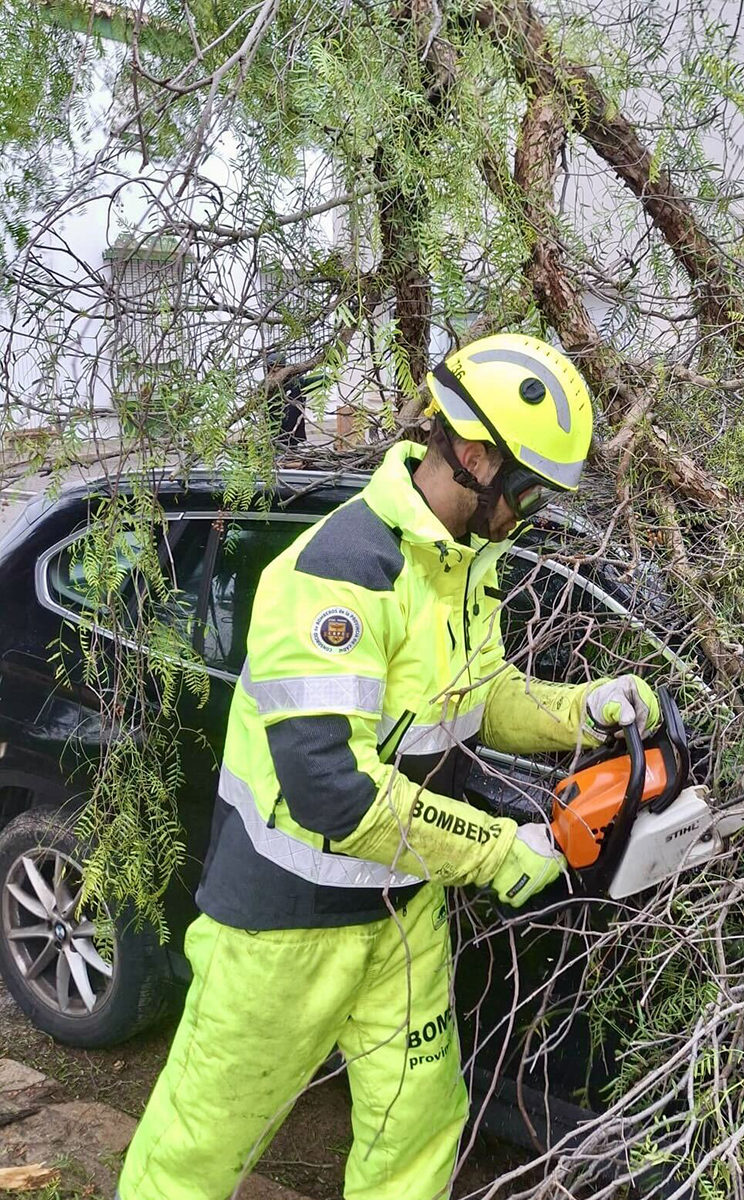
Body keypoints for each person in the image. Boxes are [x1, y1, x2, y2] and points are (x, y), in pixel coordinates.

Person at [116, 332, 660, 1200]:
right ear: (476, 457)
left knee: (417, 1130)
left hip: (402, 911)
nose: (530, 513)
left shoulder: (462, 565)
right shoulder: (338, 574)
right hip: (283, 926)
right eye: (528, 490)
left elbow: (482, 698)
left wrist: (583, 707)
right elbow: (334, 790)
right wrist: (497, 852)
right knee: (199, 1148)